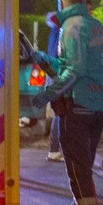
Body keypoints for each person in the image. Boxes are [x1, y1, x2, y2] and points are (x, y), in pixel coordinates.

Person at [47, 0, 103, 205]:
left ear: (62, 4)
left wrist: (51, 93)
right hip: (98, 106)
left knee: (78, 172)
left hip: (78, 104)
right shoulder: (95, 25)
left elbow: (74, 69)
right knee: (83, 169)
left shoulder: (70, 27)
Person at [44, 10, 63, 163]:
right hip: (59, 76)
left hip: (54, 75)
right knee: (61, 113)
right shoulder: (61, 31)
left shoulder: (54, 30)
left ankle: (55, 149)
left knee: (60, 112)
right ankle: (54, 149)